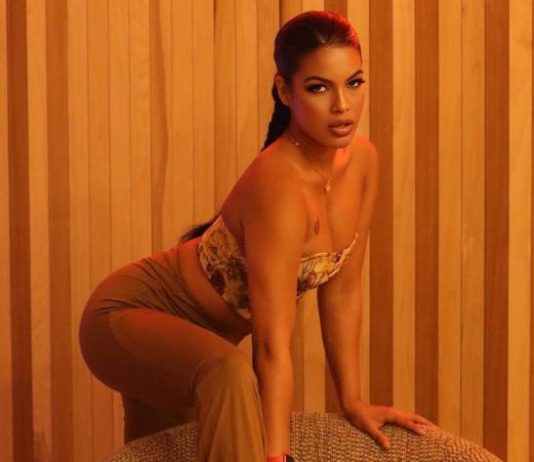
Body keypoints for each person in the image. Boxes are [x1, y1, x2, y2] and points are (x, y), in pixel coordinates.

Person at [79, 10, 492, 462]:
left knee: (166, 450)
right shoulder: (277, 184)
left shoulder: (362, 162)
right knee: (228, 373)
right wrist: (277, 456)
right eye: (319, 88)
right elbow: (271, 343)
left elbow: (343, 290)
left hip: (201, 345)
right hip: (126, 317)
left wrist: (352, 400)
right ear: (284, 90)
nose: (342, 105)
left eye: (354, 83)